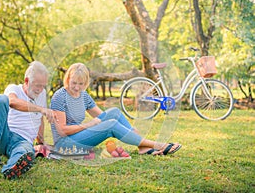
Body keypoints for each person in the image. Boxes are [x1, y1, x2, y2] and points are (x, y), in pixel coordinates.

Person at [50, 63, 181, 157]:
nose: (77, 87)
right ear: (67, 79)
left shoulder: (83, 95)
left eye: (81, 84)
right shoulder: (59, 97)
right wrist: (88, 125)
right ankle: (155, 144)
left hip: (81, 139)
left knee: (114, 112)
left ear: (85, 83)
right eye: (74, 83)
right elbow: (62, 131)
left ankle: (141, 145)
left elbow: (104, 116)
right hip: (66, 145)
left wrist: (129, 131)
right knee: (110, 125)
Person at [0, 61, 56, 180]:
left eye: (43, 86)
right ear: (27, 81)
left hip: (23, 141)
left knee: (24, 153)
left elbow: (39, 119)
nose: (40, 89)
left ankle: (11, 168)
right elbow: (12, 101)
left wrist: (41, 143)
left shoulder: (42, 93)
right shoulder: (13, 88)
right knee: (0, 99)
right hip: (4, 135)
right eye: (37, 85)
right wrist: (41, 109)